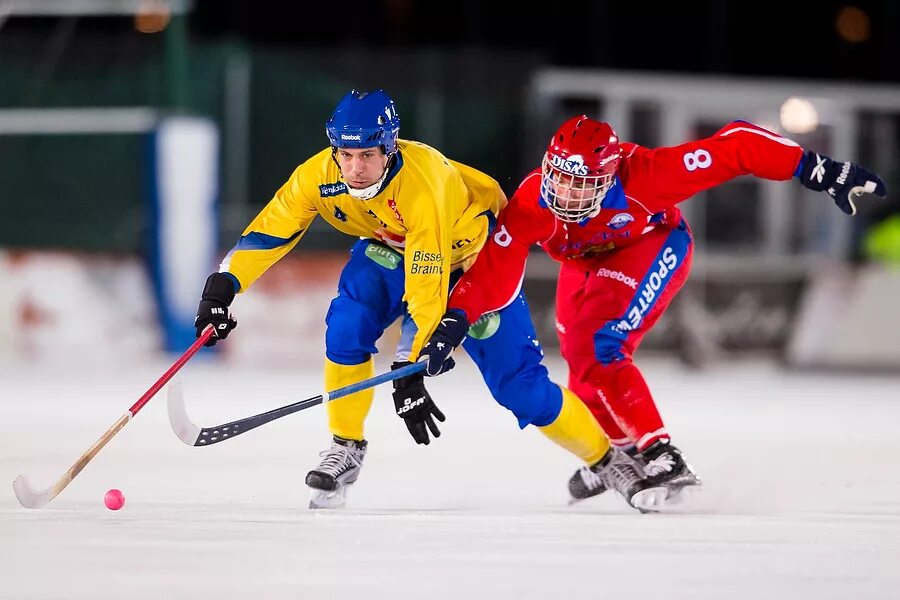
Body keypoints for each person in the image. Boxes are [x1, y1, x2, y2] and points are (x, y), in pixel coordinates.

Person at [192, 92, 661, 511]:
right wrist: (222, 286)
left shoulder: (424, 183)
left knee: (522, 389)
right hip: (389, 251)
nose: (354, 169)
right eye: (345, 155)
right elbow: (268, 232)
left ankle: (607, 458)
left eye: (368, 156)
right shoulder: (318, 176)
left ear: (390, 148)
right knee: (347, 324)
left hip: (475, 263)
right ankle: (346, 446)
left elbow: (428, 287)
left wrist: (410, 369)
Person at [418, 115, 888, 504]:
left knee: (598, 346)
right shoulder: (533, 199)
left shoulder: (647, 175)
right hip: (585, 261)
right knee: (579, 365)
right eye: (559, 176)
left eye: (582, 183)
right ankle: (622, 457)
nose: (565, 193)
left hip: (650, 243)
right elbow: (496, 267)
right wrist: (456, 318)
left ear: (610, 173)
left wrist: (816, 167)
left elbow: (737, 145)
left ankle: (661, 450)